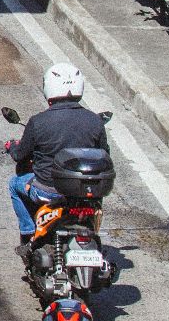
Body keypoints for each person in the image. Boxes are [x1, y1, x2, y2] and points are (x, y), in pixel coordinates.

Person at [6, 63, 109, 251]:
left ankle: (29, 234)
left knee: (15, 184)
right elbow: (105, 156)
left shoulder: (38, 122)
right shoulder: (95, 121)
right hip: (84, 192)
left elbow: (20, 155)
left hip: (48, 190)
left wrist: (12, 146)